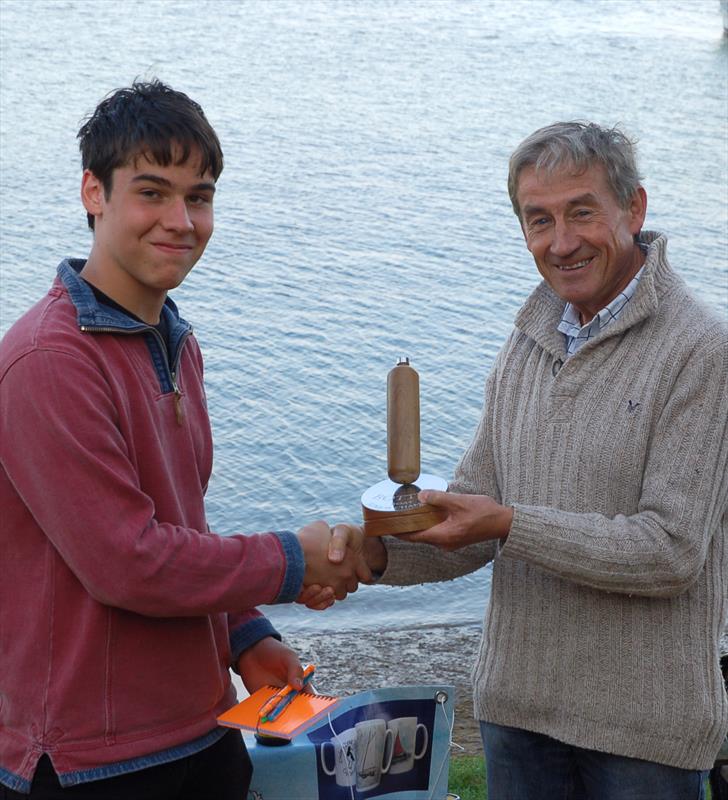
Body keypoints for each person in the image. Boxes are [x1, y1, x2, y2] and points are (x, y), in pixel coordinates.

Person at [0, 80, 368, 799]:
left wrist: (245, 635)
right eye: (152, 192)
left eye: (198, 197)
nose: (181, 220)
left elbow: (179, 527)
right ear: (92, 193)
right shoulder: (49, 360)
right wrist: (293, 560)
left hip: (201, 730)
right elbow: (128, 562)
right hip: (88, 762)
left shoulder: (171, 342)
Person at [361, 122, 728, 799]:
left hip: (643, 738)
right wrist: (368, 555)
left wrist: (507, 524)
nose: (561, 242)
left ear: (634, 208)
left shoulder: (701, 350)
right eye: (540, 220)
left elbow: (671, 551)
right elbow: (470, 523)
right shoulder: (527, 342)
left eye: (581, 212)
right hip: (516, 716)